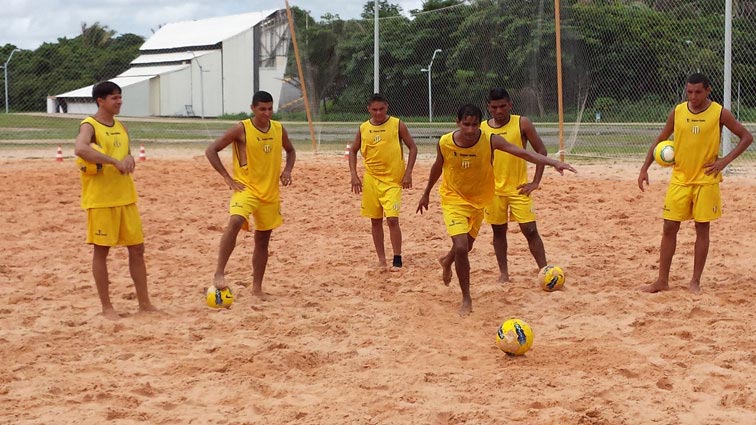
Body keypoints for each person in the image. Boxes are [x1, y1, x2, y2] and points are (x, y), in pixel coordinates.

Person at [416, 104, 576, 315]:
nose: (471, 130)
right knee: (462, 246)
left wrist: (553, 162)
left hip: (480, 201)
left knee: (467, 245)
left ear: (480, 125)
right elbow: (438, 166)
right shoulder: (445, 142)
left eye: (474, 125)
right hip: (453, 199)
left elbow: (523, 153)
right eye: (466, 124)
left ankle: (447, 261)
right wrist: (426, 192)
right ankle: (466, 299)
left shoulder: (490, 140)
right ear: (457, 122)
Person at [638, 73, 753, 294]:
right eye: (689, 91)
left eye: (698, 92)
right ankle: (662, 280)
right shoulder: (678, 111)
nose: (693, 96)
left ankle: (695, 282)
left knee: (702, 228)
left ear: (708, 90)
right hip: (680, 179)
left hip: (705, 181)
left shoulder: (719, 113)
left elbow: (746, 137)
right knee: (669, 227)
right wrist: (645, 168)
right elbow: (661, 138)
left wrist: (724, 161)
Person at [73, 81, 157, 320]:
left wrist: (129, 159)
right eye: (114, 98)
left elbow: (126, 152)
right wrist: (112, 161)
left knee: (137, 250)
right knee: (102, 252)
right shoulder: (89, 125)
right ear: (100, 100)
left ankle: (145, 303)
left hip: (126, 197)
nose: (119, 101)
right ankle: (107, 307)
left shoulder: (121, 126)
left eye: (120, 97)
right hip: (100, 200)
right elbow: (80, 149)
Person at [206, 91, 296, 297]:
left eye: (270, 108)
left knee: (263, 239)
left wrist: (288, 170)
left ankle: (257, 288)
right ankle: (219, 272)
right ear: (253, 108)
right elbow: (211, 150)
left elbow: (291, 151)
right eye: (262, 109)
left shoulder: (278, 129)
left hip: (270, 192)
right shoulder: (241, 128)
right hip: (246, 188)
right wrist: (227, 178)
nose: (267, 113)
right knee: (235, 221)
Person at [482, 88, 551, 283]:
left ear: (510, 105)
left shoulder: (522, 123)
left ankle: (545, 270)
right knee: (498, 231)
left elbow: (541, 151)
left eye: (503, 106)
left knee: (530, 230)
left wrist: (536, 182)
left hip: (519, 187)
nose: (499, 111)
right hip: (493, 190)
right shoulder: (482, 128)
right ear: (488, 107)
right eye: (494, 107)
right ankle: (504, 273)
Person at [349, 93, 418, 271]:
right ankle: (381, 259)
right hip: (371, 179)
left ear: (387, 107)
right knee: (375, 220)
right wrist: (354, 175)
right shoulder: (363, 127)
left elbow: (412, 147)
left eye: (381, 109)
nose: (378, 113)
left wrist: (408, 172)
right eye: (374, 110)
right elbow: (353, 151)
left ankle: (397, 258)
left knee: (393, 219)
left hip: (393, 181)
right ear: (369, 109)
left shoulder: (397, 124)